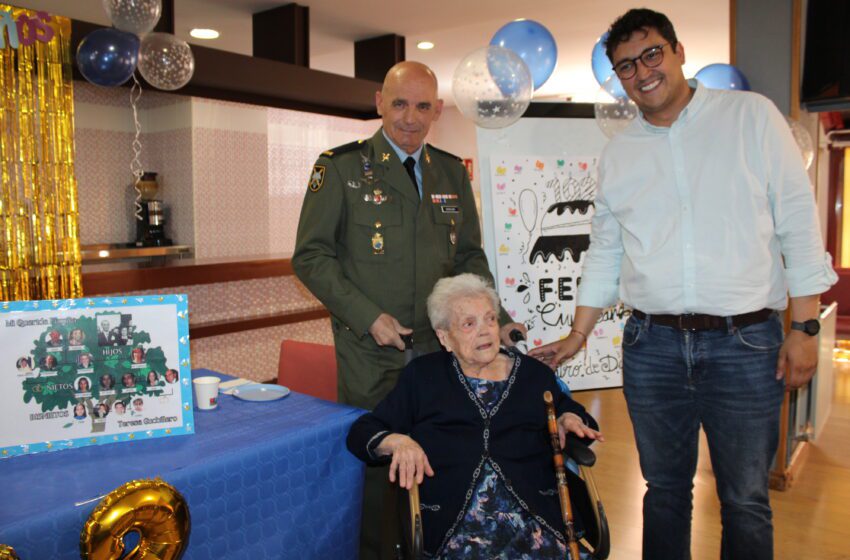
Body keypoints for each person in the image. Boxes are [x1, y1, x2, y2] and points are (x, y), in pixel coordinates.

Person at [529, 9, 837, 560]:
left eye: (651, 54)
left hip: (746, 345)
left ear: (677, 52)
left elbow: (797, 221)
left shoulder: (751, 118)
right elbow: (606, 249)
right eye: (626, 65)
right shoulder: (620, 151)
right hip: (654, 348)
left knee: (745, 500)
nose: (642, 71)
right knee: (664, 493)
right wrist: (577, 336)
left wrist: (805, 326)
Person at [293, 61, 525, 559]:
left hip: (443, 350)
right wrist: (366, 315)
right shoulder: (341, 168)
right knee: (383, 463)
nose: (410, 118)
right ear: (379, 101)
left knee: (444, 456)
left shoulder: (449, 171)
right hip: (373, 352)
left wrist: (497, 320)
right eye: (399, 103)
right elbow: (311, 255)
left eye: (423, 106)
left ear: (438, 110)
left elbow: (468, 258)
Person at [348, 274, 602, 559]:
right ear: (444, 337)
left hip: (537, 521)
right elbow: (362, 431)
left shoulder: (533, 375)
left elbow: (579, 417)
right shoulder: (423, 377)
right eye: (469, 324)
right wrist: (397, 442)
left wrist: (568, 417)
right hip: (453, 528)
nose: (485, 331)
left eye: (490, 319)